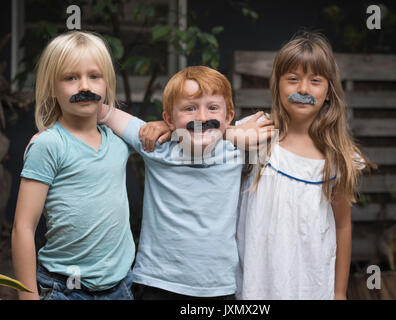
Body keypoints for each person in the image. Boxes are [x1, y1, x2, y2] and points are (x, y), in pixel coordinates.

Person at [97, 65, 274, 299]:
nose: (201, 117)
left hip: (217, 286)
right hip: (158, 283)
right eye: (189, 109)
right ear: (169, 118)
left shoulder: (239, 147)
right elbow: (103, 112)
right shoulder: (155, 145)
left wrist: (229, 132)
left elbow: (283, 119)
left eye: (212, 108)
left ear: (229, 115)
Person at [235, 31, 376, 300]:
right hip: (257, 284)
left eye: (315, 81)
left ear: (328, 91)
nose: (303, 90)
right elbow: (201, 142)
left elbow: (342, 226)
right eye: (292, 79)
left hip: (311, 286)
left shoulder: (336, 156)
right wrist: (166, 125)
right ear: (277, 85)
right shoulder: (256, 134)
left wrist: (339, 292)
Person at [11, 31, 135, 300]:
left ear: (107, 83)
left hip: (119, 287)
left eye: (95, 76)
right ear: (52, 89)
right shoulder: (48, 145)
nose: (84, 86)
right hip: (63, 288)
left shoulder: (119, 141)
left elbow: (159, 135)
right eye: (70, 78)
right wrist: (28, 296)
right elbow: (23, 227)